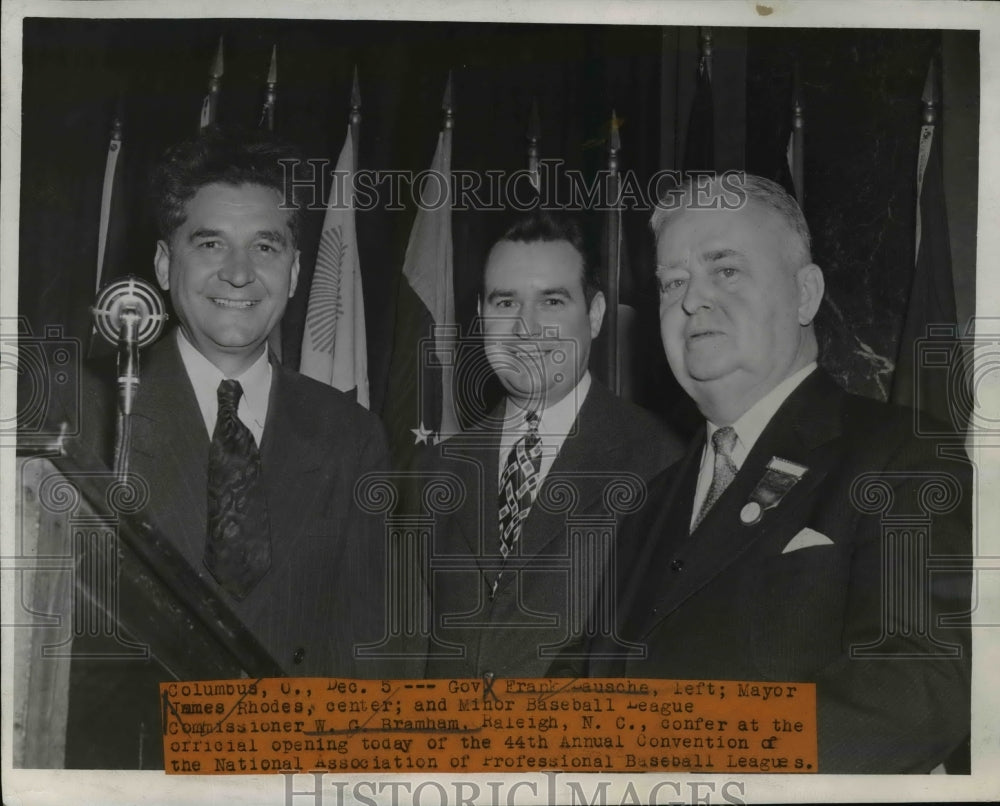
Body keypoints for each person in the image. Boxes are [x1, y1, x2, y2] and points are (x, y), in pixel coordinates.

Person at [575, 174, 971, 774]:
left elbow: (917, 689)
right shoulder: (651, 502)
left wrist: (688, 758)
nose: (690, 300)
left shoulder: (901, 455)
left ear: (805, 293)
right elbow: (584, 685)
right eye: (672, 282)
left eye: (725, 270)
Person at [49, 127, 390, 765]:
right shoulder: (88, 415)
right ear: (161, 263)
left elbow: (368, 652)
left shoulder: (351, 436)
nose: (238, 272)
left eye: (265, 246)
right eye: (210, 243)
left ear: (294, 272)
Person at [422, 211, 682, 679]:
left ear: (596, 314)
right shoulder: (438, 468)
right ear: (481, 319)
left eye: (552, 302)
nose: (527, 328)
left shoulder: (660, 461)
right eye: (506, 303)